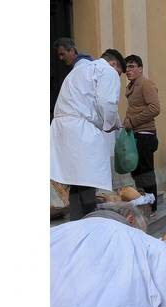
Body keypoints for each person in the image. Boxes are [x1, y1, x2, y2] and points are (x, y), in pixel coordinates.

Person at [50, 49, 127, 220]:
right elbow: (107, 102)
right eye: (119, 73)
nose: (118, 77)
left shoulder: (78, 71)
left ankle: (77, 223)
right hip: (82, 131)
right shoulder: (107, 71)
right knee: (88, 181)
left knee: (76, 182)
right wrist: (111, 123)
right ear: (113, 64)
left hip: (62, 129)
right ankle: (88, 225)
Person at [121, 54, 161, 215]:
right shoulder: (131, 86)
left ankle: (152, 207)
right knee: (136, 172)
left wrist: (133, 121)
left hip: (145, 134)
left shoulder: (146, 83)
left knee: (146, 172)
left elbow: (155, 108)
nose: (128, 70)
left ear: (140, 68)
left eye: (131, 66)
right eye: (126, 68)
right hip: (135, 135)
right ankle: (143, 203)